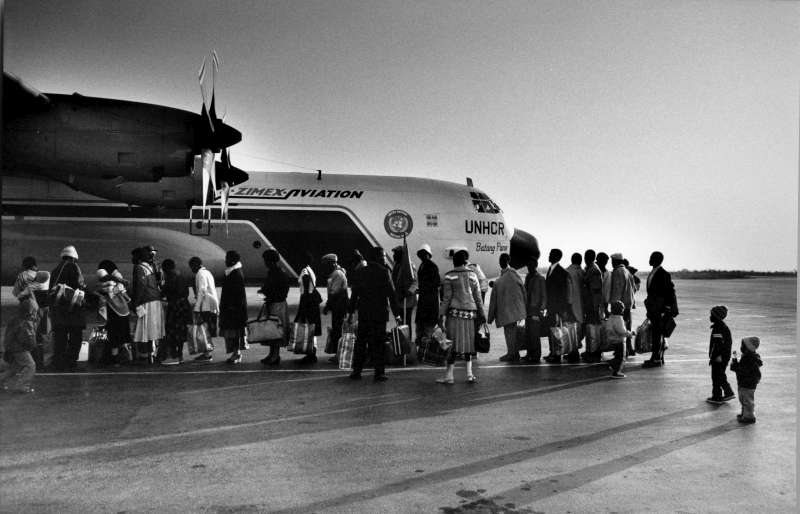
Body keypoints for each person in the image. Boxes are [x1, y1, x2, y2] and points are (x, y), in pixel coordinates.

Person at [347, 246, 402, 382]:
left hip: (365, 313)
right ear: (377, 257)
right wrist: (397, 315)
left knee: (361, 342)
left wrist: (350, 312)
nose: (384, 258)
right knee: (378, 343)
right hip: (379, 314)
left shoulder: (361, 272)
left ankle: (357, 371)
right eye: (383, 256)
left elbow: (355, 295)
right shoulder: (384, 272)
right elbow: (392, 295)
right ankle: (379, 373)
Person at [438, 249, 485, 383]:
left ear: (454, 261)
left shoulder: (449, 276)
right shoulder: (473, 275)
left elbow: (446, 299)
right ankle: (470, 374)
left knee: (451, 345)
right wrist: (482, 314)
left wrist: (441, 314)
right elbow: (478, 297)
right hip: (470, 315)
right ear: (465, 262)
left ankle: (449, 376)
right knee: (469, 345)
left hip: (454, 315)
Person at [50, 245, 86, 372]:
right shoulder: (73, 266)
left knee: (60, 338)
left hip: (59, 311)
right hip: (73, 311)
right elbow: (79, 285)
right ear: (74, 258)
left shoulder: (56, 269)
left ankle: (58, 362)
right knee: (76, 337)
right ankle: (71, 362)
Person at [487, 253, 526, 363]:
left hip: (508, 311)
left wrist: (490, 318)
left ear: (508, 261)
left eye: (503, 259)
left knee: (510, 333)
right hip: (514, 311)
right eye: (500, 259)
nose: (501, 261)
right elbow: (522, 291)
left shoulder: (505, 277)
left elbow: (494, 300)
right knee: (511, 333)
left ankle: (512, 354)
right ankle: (514, 352)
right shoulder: (513, 275)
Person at [643, 251, 677, 368]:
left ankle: (656, 358)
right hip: (653, 308)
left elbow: (669, 293)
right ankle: (657, 357)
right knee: (656, 333)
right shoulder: (654, 272)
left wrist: (666, 309)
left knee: (658, 334)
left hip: (659, 310)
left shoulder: (663, 274)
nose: (650, 259)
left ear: (658, 260)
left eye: (652, 257)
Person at [95, 260, 132, 366]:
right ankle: (122, 357)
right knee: (120, 336)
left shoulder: (110, 279)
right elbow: (123, 293)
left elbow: (104, 283)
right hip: (123, 311)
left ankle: (113, 359)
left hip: (114, 311)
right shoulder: (115, 278)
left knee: (113, 336)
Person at [1, 292, 39, 393]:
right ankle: (22, 385)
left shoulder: (18, 319)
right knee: (31, 365)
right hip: (19, 349)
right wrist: (32, 345)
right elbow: (26, 338)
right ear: (30, 311)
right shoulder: (24, 323)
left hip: (12, 347)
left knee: (14, 368)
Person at [132, 245, 164, 364]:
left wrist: (136, 302)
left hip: (146, 301)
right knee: (153, 329)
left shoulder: (139, 268)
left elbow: (141, 286)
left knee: (144, 330)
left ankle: (144, 355)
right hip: (155, 300)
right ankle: (152, 353)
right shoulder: (151, 267)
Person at [259, 249, 290, 366]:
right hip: (277, 303)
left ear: (270, 261)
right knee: (272, 330)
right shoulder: (278, 272)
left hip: (276, 304)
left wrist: (265, 292)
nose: (264, 263)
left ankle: (275, 355)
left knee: (275, 330)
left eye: (266, 260)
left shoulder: (277, 274)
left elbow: (279, 291)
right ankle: (272, 354)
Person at [160, 259, 192, 365]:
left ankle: (174, 356)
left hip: (175, 308)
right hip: (184, 306)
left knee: (172, 332)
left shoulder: (171, 277)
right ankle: (180, 355)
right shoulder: (181, 275)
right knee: (181, 333)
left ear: (166, 269)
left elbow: (165, 291)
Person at [219, 251, 248, 364]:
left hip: (234, 310)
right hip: (234, 309)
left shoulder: (235, 274)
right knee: (234, 333)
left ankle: (236, 353)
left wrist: (231, 307)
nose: (225, 261)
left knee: (234, 332)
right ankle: (236, 353)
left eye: (227, 258)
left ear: (232, 260)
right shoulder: (234, 272)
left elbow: (237, 294)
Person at [189, 256, 219, 362]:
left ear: (196, 265)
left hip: (206, 306)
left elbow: (202, 290)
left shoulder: (200, 274)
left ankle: (207, 354)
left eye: (191, 266)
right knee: (207, 329)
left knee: (204, 330)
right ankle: (207, 352)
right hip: (211, 304)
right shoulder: (207, 272)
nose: (191, 269)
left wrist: (197, 307)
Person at [544, 249, 571, 364]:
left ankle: (557, 354)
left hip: (556, 309)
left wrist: (561, 310)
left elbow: (563, 293)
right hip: (551, 307)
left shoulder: (561, 272)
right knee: (552, 331)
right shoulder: (551, 269)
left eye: (551, 254)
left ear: (557, 257)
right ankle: (552, 352)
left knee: (556, 332)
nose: (549, 256)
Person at [322, 254, 348, 363]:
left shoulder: (337, 274)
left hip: (340, 307)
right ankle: (339, 353)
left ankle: (339, 355)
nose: (325, 267)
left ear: (333, 263)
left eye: (326, 264)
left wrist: (327, 306)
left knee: (338, 331)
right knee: (337, 330)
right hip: (337, 306)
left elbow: (334, 293)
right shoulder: (335, 273)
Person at [609, 253, 637, 357]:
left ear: (616, 261)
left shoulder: (617, 272)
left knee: (620, 330)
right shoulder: (627, 271)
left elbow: (617, 289)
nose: (611, 263)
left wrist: (614, 307)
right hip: (628, 305)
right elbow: (633, 289)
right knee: (626, 328)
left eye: (612, 261)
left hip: (620, 306)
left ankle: (622, 351)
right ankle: (629, 349)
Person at [296, 253, 322, 364]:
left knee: (308, 326)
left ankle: (311, 354)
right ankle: (312, 352)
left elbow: (306, 287)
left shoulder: (304, 271)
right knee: (312, 327)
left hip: (308, 301)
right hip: (312, 301)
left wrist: (303, 306)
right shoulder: (309, 269)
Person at [706, 305, 735, 404]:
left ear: (716, 316)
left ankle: (723, 394)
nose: (710, 317)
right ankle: (718, 395)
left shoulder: (719, 328)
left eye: (712, 315)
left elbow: (718, 344)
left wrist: (716, 356)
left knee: (718, 376)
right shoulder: (720, 326)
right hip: (722, 356)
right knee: (718, 375)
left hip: (720, 357)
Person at [730, 337, 762, 424]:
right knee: (743, 399)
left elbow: (743, 370)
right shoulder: (747, 356)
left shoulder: (749, 358)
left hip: (748, 383)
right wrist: (735, 361)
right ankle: (745, 413)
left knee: (747, 400)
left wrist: (735, 365)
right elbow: (741, 369)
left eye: (743, 346)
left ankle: (749, 417)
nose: (741, 347)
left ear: (748, 348)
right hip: (743, 382)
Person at [415, 244, 441, 344]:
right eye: (420, 254)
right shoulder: (423, 265)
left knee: (430, 328)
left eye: (423, 254)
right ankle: (424, 349)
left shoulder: (432, 266)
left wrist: (424, 288)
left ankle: (442, 348)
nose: (421, 256)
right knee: (424, 326)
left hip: (430, 302)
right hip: (424, 301)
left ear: (428, 255)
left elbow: (436, 283)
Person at [522, 257, 546, 363]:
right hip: (528, 309)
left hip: (535, 309)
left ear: (535, 266)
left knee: (535, 334)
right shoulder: (528, 277)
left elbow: (544, 296)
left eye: (531, 265)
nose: (529, 267)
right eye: (528, 265)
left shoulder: (540, 278)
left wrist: (541, 310)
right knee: (528, 334)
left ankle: (536, 356)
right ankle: (529, 354)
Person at [582, 249, 604, 362]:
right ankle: (590, 351)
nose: (585, 259)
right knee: (590, 330)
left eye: (587, 257)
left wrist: (595, 308)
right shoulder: (590, 269)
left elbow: (595, 291)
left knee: (594, 330)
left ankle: (594, 353)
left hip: (593, 306)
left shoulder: (594, 270)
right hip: (590, 305)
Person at [391, 245, 418, 340]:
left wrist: (408, 292)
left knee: (406, 323)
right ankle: (401, 342)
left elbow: (415, 282)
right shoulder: (396, 265)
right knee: (400, 323)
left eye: (396, 254)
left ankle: (408, 343)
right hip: (399, 299)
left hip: (407, 301)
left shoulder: (409, 266)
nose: (394, 256)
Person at [564, 252, 585, 363]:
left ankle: (573, 352)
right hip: (582, 306)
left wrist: (568, 306)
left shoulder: (567, 272)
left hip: (572, 305)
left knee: (571, 330)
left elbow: (569, 291)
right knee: (578, 330)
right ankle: (575, 351)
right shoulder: (583, 272)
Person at [606, 301, 633, 379]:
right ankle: (616, 372)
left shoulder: (611, 317)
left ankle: (612, 363)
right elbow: (621, 331)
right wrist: (630, 334)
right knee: (621, 357)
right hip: (619, 340)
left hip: (612, 339)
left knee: (618, 354)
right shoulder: (618, 319)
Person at [596, 252, 611, 316]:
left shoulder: (607, 273)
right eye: (604, 261)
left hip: (600, 302)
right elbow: (606, 291)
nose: (605, 264)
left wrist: (606, 307)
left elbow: (606, 291)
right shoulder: (607, 273)